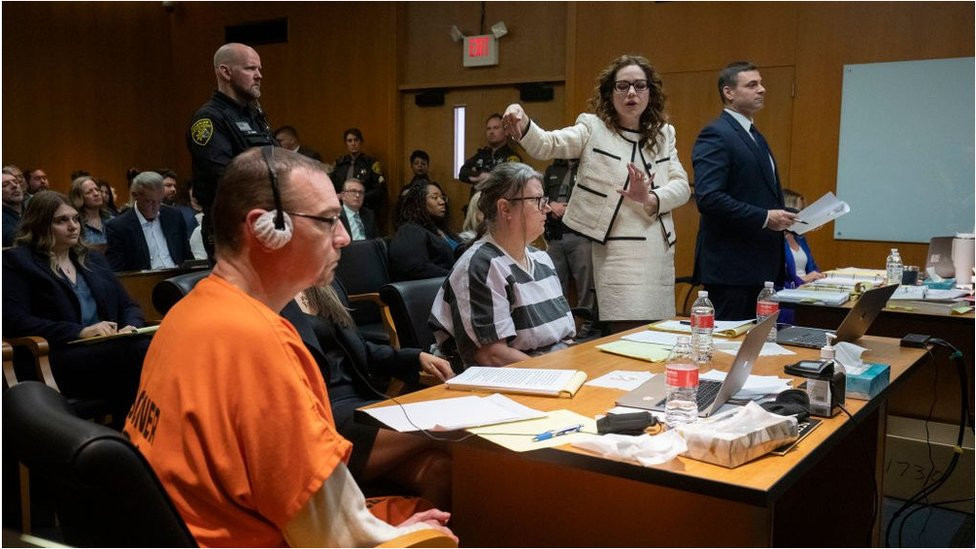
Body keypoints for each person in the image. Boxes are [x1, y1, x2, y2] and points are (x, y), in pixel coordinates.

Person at [123, 146, 454, 547]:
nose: (344, 237)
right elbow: (327, 536)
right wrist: (410, 535)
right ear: (265, 228)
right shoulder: (263, 341)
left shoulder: (183, 315)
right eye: (327, 221)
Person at [503, 54, 691, 329]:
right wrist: (521, 120)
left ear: (650, 92)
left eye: (640, 86)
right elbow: (547, 145)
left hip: (659, 251)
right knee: (625, 335)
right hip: (616, 252)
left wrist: (649, 198)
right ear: (609, 92)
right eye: (622, 85)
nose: (631, 93)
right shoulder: (593, 128)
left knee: (659, 335)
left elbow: (682, 186)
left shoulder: (665, 134)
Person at [281, 281, 454, 508]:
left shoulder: (326, 285)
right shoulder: (265, 295)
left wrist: (415, 357)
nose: (342, 243)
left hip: (361, 404)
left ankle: (424, 539)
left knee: (440, 470)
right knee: (451, 430)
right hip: (321, 418)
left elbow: (360, 348)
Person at [2, 191, 148, 421]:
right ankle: (131, 439)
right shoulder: (18, 262)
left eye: (75, 219)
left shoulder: (92, 259)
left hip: (109, 350)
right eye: (61, 221)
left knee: (145, 345)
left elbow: (128, 304)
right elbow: (14, 321)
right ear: (40, 225)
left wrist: (130, 327)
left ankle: (127, 438)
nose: (73, 226)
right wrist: (79, 331)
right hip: (57, 355)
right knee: (137, 353)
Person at [429, 162, 575, 369]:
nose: (548, 208)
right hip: (510, 382)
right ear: (505, 208)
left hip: (555, 369)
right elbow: (491, 355)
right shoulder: (480, 266)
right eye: (537, 201)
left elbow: (565, 336)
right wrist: (560, 373)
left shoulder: (542, 259)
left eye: (545, 200)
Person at [691, 61, 795, 320]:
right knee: (729, 351)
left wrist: (786, 217)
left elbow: (757, 194)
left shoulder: (754, 135)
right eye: (752, 85)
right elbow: (709, 198)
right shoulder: (717, 133)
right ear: (729, 92)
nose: (762, 89)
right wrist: (764, 217)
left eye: (761, 83)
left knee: (756, 350)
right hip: (731, 270)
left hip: (760, 267)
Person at [187, 42, 277, 259]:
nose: (259, 75)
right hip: (232, 229)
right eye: (250, 68)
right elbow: (228, 180)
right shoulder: (208, 119)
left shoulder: (255, 115)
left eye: (259, 69)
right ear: (225, 72)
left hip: (266, 221)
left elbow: (280, 163)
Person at [541, 158, 597, 329]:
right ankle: (561, 326)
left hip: (580, 235)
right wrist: (551, 205)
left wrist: (570, 208)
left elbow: (595, 199)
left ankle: (586, 326)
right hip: (554, 236)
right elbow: (540, 195)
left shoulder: (589, 168)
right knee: (553, 283)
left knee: (586, 284)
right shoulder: (552, 169)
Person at [105, 171, 192, 271]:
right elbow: (118, 272)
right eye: (149, 201)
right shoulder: (119, 227)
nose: (155, 207)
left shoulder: (174, 216)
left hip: (176, 278)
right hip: (144, 282)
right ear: (135, 195)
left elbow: (187, 257)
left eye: (159, 201)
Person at [389, 181, 459, 281]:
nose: (442, 202)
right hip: (434, 290)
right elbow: (416, 268)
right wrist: (454, 277)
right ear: (419, 202)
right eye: (434, 197)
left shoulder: (444, 231)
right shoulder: (410, 230)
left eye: (443, 198)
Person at [458, 114, 522, 192]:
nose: (491, 132)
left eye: (496, 128)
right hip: (477, 201)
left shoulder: (512, 157)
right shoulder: (481, 154)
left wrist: (485, 177)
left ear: (506, 132)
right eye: (488, 129)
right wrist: (480, 176)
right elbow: (462, 173)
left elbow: (510, 181)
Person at [331, 128, 386, 211]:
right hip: (342, 209)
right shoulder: (339, 164)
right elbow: (332, 186)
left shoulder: (370, 163)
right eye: (349, 141)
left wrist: (360, 196)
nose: (353, 144)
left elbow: (379, 189)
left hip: (364, 207)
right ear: (346, 144)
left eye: (356, 140)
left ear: (361, 142)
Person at [782, 188, 824, 287]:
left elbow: (813, 268)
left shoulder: (800, 238)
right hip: (789, 293)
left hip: (806, 289)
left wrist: (819, 276)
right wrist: (802, 280)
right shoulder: (776, 240)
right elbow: (777, 281)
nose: (803, 215)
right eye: (800, 210)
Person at [68, 175, 114, 248]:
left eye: (97, 189)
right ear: (79, 198)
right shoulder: (75, 224)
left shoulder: (112, 219)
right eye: (89, 192)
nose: (96, 194)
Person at [159, 169, 199, 236]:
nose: (173, 189)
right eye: (168, 185)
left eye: (174, 186)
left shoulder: (186, 215)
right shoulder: (148, 213)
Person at [2, 168, 25, 247]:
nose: (14, 186)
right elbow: (16, 238)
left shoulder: (31, 210)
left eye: (16, 182)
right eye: (4, 185)